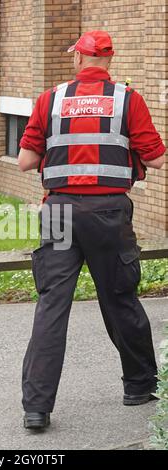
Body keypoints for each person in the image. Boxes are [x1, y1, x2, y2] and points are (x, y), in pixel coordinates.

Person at [18, 30, 166, 430]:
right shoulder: (127, 100)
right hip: (108, 215)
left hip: (60, 212)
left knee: (52, 305)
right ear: (108, 60)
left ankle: (36, 408)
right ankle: (138, 386)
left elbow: (25, 162)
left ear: (79, 59)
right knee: (120, 297)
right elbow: (155, 160)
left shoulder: (51, 99)